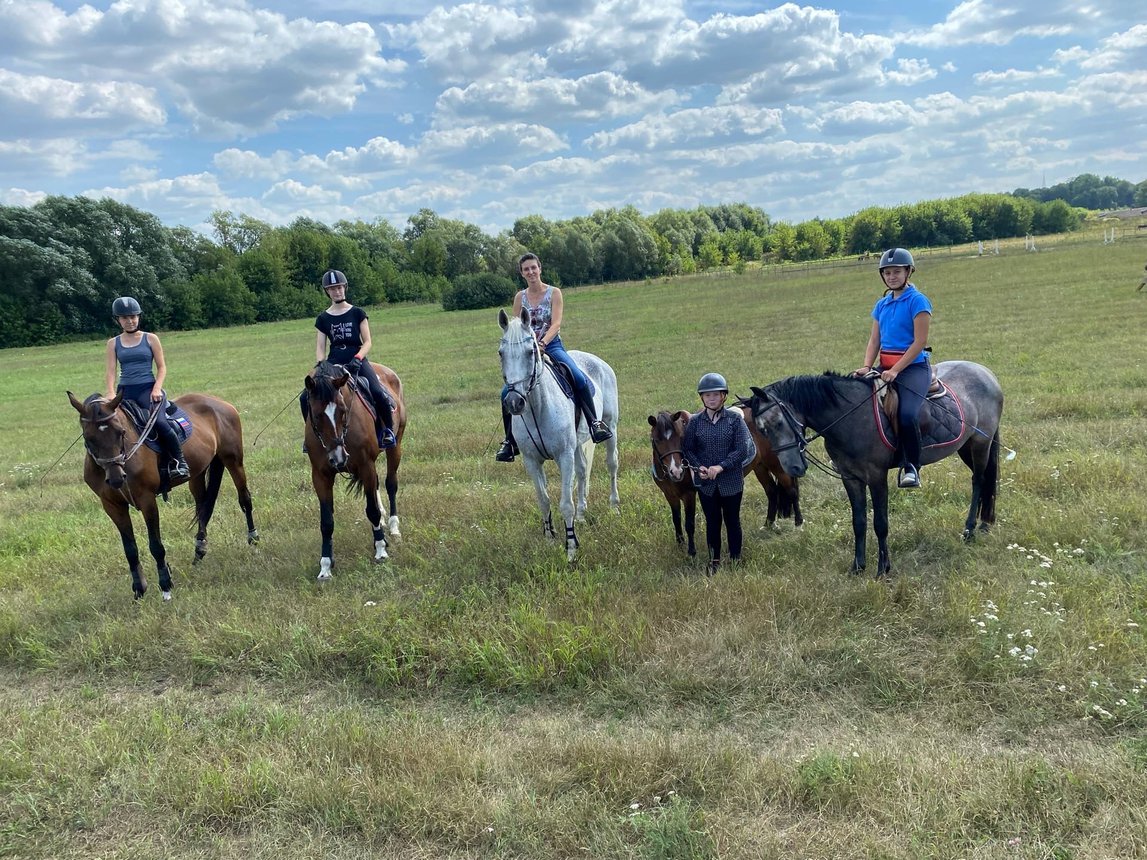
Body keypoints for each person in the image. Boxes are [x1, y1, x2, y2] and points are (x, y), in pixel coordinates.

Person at [495, 252, 613, 462]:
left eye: (533, 267)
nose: (531, 272)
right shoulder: (519, 297)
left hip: (552, 345)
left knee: (578, 377)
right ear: (522, 273)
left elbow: (556, 323)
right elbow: (515, 327)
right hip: (526, 350)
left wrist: (542, 344)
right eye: (526, 269)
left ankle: (594, 423)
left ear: (540, 269)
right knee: (506, 391)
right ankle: (509, 441)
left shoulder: (554, 293)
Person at [852, 247, 932, 489]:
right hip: (884, 366)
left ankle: (911, 467)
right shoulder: (882, 304)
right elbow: (874, 340)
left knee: (907, 414)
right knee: (855, 402)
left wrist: (896, 369)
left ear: (908, 272)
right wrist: (867, 366)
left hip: (913, 368)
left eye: (896, 272)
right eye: (887, 273)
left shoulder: (918, 301)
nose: (891, 277)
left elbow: (919, 342)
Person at [301, 269, 396, 449]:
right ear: (327, 292)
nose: (337, 291)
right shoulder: (323, 318)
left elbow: (367, 341)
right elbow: (320, 347)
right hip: (333, 362)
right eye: (332, 289)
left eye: (339, 287)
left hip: (357, 360)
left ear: (345, 288)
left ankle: (387, 431)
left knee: (377, 392)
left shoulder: (357, 313)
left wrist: (358, 358)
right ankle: (311, 436)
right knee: (305, 397)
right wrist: (322, 365)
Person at [105, 296, 189, 478]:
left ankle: (179, 462)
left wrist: (157, 389)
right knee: (109, 426)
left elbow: (162, 367)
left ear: (138, 317)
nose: (130, 321)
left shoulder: (151, 339)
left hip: (148, 390)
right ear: (118, 320)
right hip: (124, 392)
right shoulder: (113, 343)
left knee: (160, 423)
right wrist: (111, 393)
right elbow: (111, 371)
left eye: (133, 316)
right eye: (125, 318)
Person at [682, 372, 753, 574]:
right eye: (707, 395)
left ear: (724, 396)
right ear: (702, 398)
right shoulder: (695, 422)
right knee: (712, 522)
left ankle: (736, 558)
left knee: (732, 520)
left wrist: (720, 466)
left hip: (731, 481)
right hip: (707, 483)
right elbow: (688, 449)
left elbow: (742, 450)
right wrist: (699, 467)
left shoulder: (734, 420)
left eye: (716, 395)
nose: (711, 398)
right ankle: (714, 561)